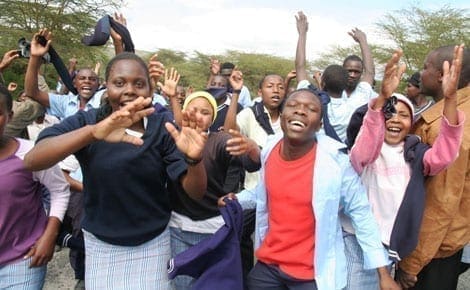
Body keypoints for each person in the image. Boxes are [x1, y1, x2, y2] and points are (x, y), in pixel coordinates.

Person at [23, 52, 208, 289]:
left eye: (139, 84)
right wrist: (92, 133)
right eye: (119, 83)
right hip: (101, 242)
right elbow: (32, 161)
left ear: (150, 90)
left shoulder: (163, 128)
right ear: (106, 87)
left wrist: (195, 160)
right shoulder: (88, 121)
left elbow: (195, 192)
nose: (129, 90)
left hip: (152, 241)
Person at [219, 88, 399, 290]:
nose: (301, 111)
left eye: (311, 109)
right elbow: (264, 191)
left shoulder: (336, 164)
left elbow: (362, 214)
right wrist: (237, 199)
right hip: (269, 267)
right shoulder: (269, 150)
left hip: (312, 275)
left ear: (319, 124)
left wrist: (383, 274)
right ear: (283, 115)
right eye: (293, 106)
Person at [347, 49, 464, 289]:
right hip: (357, 242)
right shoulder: (369, 152)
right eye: (388, 113)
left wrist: (450, 100)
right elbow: (367, 141)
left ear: (411, 123)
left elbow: (444, 156)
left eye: (403, 114)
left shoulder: (415, 155)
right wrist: (382, 98)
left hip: (391, 248)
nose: (395, 118)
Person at [168, 91, 260, 290]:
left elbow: (252, 164)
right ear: (184, 112)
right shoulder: (172, 140)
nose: (198, 116)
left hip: (213, 229)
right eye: (193, 110)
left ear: (212, 118)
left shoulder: (219, 141)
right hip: (178, 228)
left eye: (205, 112)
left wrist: (252, 150)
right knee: (183, 283)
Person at [396, 44, 469, 290]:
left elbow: (440, 201)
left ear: (441, 74)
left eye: (426, 66)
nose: (421, 71)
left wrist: (412, 263)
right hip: (439, 247)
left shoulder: (448, 125)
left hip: (431, 253)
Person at [0, 83, 70, 289]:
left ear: (10, 116)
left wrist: (50, 235)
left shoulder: (30, 154)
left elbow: (59, 190)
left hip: (21, 261)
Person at [295, 11, 374, 143]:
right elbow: (370, 72)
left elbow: (300, 67)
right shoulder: (356, 103)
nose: (353, 75)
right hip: (342, 158)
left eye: (356, 72)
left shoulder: (313, 102)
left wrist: (302, 33)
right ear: (345, 83)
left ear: (322, 82)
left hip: (317, 156)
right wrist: (363, 41)